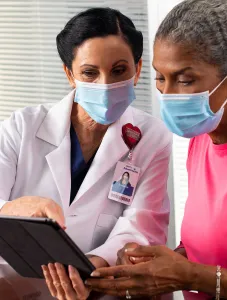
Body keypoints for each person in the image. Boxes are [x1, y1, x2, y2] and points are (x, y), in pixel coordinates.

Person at [84, 1, 227, 300]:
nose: (167, 95)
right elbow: (215, 247)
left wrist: (191, 276)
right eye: (161, 77)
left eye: (185, 80)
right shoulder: (203, 138)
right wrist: (158, 263)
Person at [0, 7, 172, 300]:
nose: (105, 85)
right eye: (89, 73)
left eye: (119, 71)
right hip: (14, 286)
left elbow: (142, 225)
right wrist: (18, 207)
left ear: (138, 69)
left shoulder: (152, 137)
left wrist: (93, 266)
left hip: (100, 287)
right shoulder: (22, 127)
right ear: (69, 74)